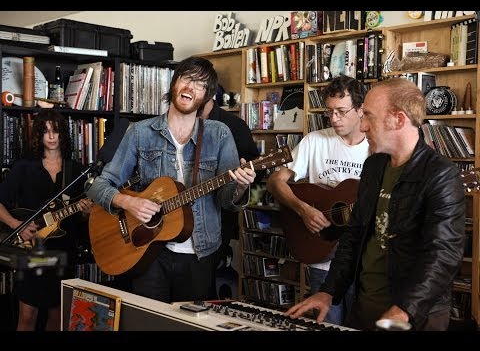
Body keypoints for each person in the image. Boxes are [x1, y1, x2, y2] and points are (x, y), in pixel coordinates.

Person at [285, 78, 466, 331]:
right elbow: (354, 235)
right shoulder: (374, 166)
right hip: (365, 308)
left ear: (398, 120)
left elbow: (443, 255)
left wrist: (404, 310)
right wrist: (328, 291)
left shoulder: (441, 175)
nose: (363, 125)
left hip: (413, 317)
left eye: (368, 116)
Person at [86, 56, 256, 303]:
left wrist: (240, 185)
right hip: (149, 251)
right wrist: (128, 203)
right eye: (186, 78)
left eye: (200, 84)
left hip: (200, 252)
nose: (190, 87)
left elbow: (227, 201)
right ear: (175, 83)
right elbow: (98, 186)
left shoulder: (219, 134)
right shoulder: (140, 133)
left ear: (206, 96)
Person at [266, 75, 368, 325]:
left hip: (363, 265)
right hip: (322, 258)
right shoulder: (315, 141)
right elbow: (275, 181)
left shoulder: (376, 147)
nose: (334, 119)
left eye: (342, 112)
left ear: (361, 109)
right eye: (330, 112)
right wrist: (303, 210)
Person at [0, 109, 93, 331]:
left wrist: (86, 212)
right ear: (38, 135)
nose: (51, 137)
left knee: (58, 317)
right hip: (31, 254)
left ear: (63, 135)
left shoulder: (76, 171)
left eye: (56, 131)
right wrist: (17, 225)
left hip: (63, 254)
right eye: (46, 132)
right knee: (27, 316)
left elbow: (81, 216)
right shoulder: (23, 168)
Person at [199, 93, 260, 299]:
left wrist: (243, 178)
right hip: (179, 220)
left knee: (203, 285)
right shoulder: (177, 123)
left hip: (219, 219)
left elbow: (255, 171)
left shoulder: (233, 126)